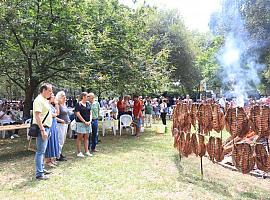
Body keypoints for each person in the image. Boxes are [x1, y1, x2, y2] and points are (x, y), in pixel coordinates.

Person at [33, 83, 53, 180]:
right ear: (44, 90)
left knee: (42, 151)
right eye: (49, 91)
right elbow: (37, 116)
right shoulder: (39, 100)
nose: (51, 93)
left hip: (46, 128)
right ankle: (39, 174)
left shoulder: (44, 100)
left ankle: (42, 169)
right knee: (40, 152)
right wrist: (42, 130)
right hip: (43, 128)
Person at [74, 92, 92, 158]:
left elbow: (90, 112)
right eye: (87, 96)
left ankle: (86, 151)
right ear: (83, 97)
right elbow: (78, 114)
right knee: (80, 137)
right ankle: (79, 152)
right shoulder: (78, 104)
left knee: (87, 137)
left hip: (88, 123)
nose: (88, 97)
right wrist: (84, 121)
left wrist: (90, 120)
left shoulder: (88, 104)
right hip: (80, 123)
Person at [45, 93, 60, 167]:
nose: (54, 97)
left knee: (53, 141)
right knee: (49, 142)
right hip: (49, 124)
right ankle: (47, 160)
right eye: (53, 96)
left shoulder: (51, 105)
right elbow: (52, 114)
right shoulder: (46, 105)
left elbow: (57, 113)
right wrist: (55, 114)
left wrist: (57, 105)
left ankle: (51, 159)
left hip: (54, 124)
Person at [55, 91, 70, 161]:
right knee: (60, 140)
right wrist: (61, 120)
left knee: (63, 140)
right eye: (63, 96)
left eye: (65, 96)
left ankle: (59, 153)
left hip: (65, 124)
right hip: (60, 124)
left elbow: (66, 113)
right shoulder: (57, 104)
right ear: (60, 97)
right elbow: (54, 116)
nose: (65, 97)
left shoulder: (64, 104)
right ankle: (57, 155)